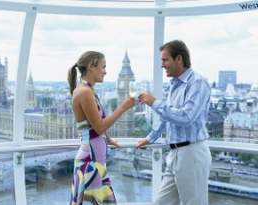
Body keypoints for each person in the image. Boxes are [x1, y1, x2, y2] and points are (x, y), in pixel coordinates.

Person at [136, 40, 212, 205]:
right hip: (175, 154)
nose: (162, 65)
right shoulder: (174, 85)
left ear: (179, 59)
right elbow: (167, 116)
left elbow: (186, 117)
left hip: (192, 153)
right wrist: (150, 138)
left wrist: (154, 102)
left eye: (165, 60)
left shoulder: (197, 82)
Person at [68, 51, 135, 205]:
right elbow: (98, 127)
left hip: (94, 158)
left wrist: (108, 139)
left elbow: (90, 127)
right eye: (103, 67)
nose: (105, 71)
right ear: (92, 67)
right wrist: (124, 106)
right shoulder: (85, 92)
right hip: (91, 161)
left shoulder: (88, 90)